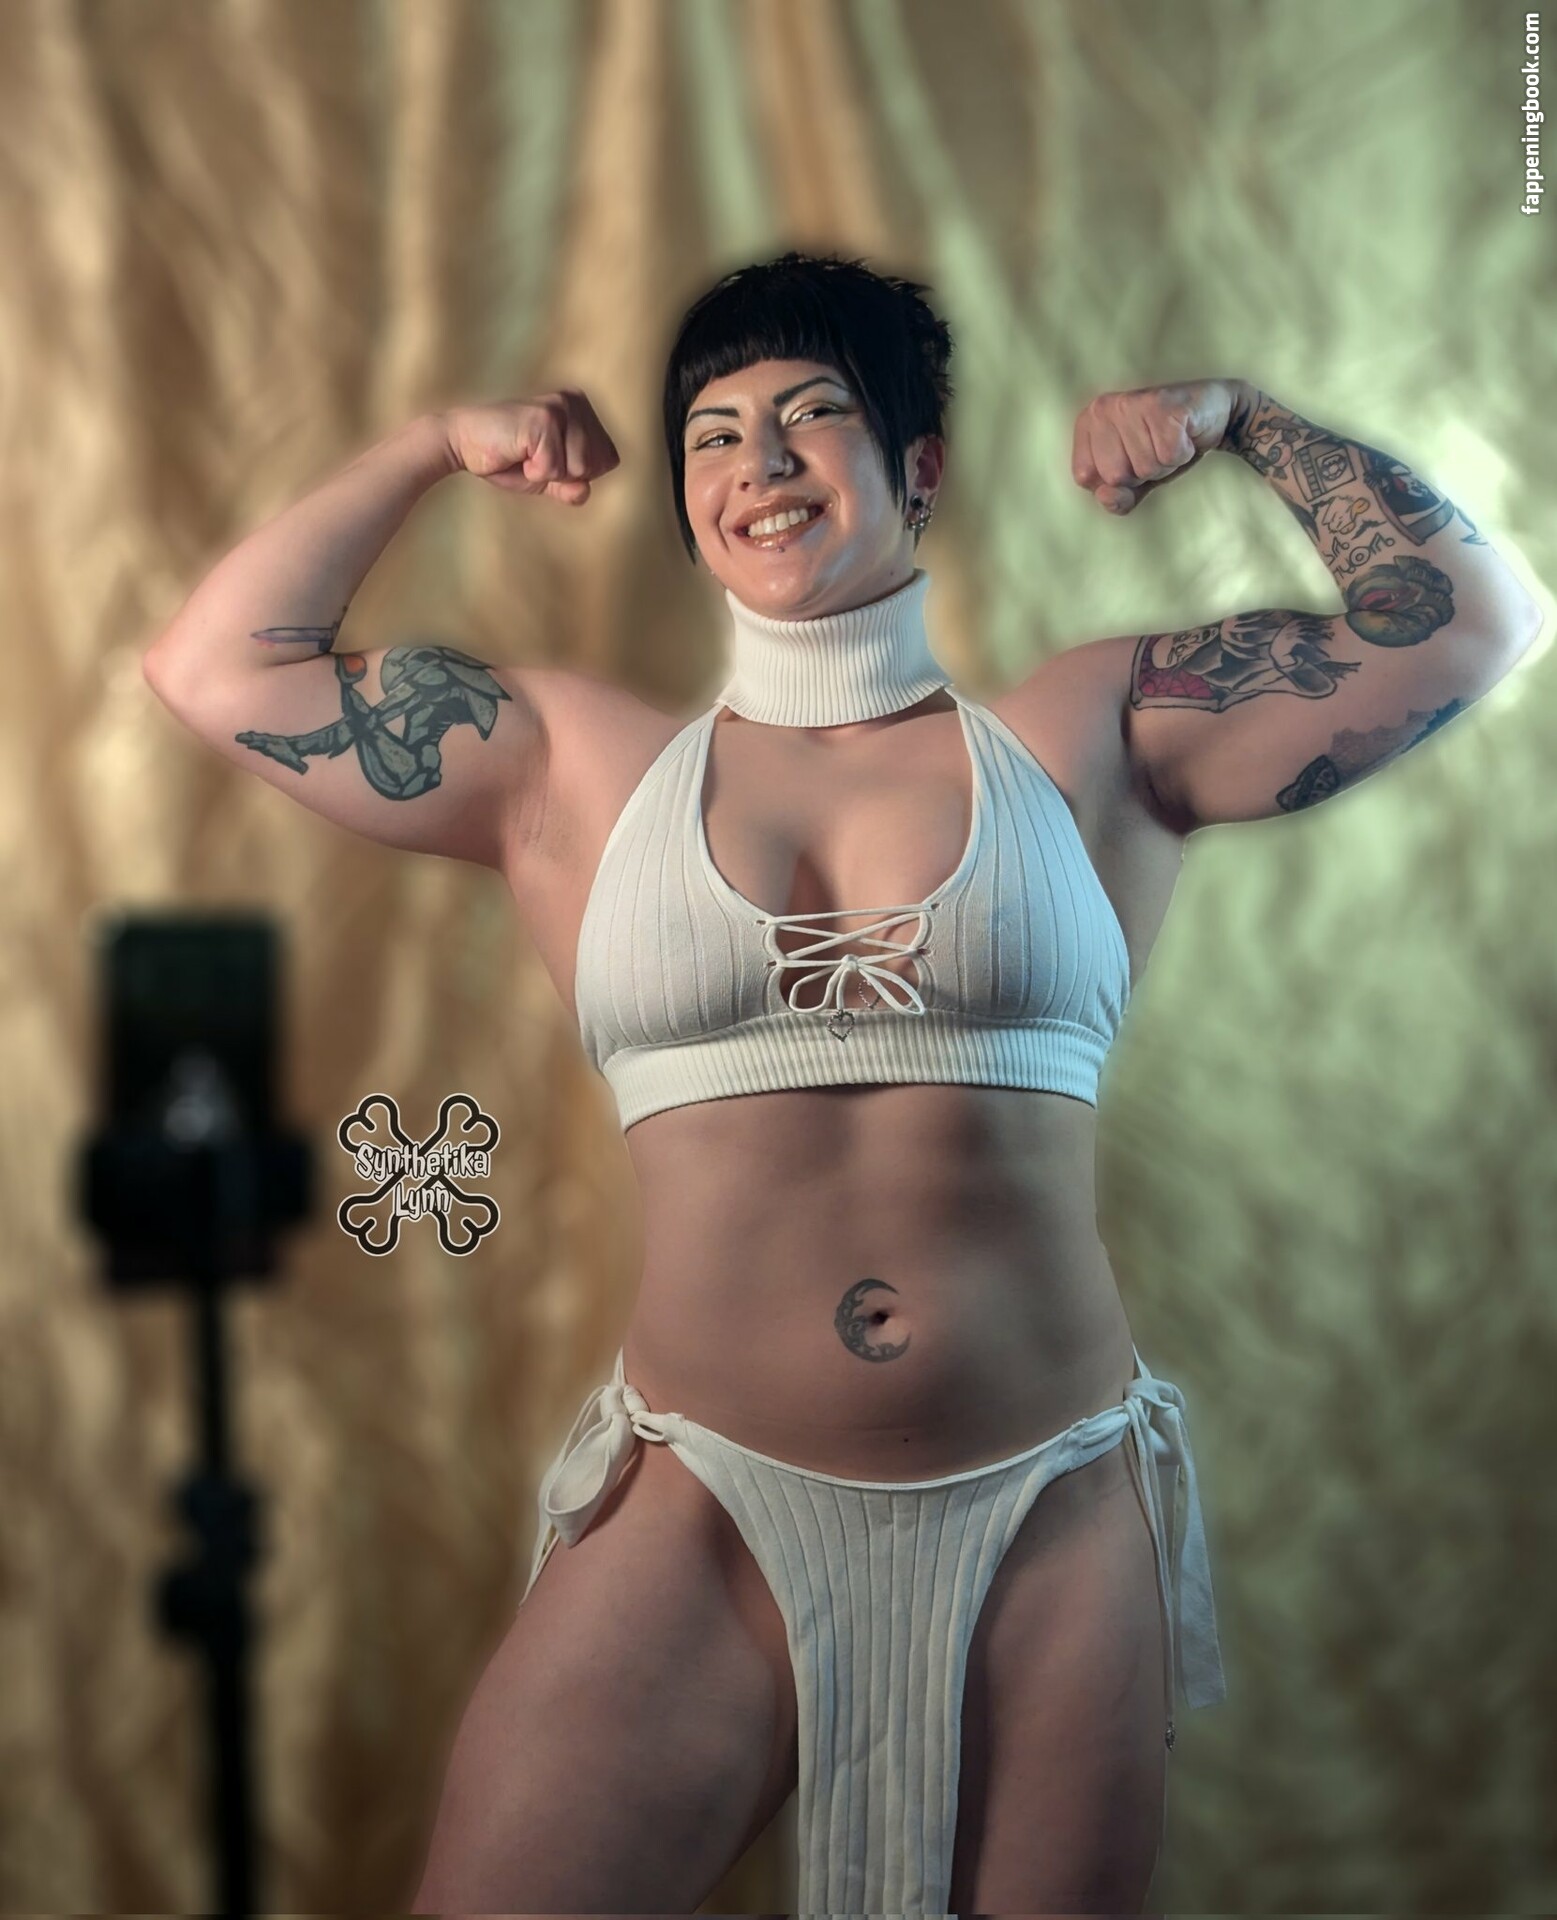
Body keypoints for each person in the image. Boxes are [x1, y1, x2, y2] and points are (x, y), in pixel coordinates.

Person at [142, 248, 1539, 1918]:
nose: (760, 460)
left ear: (915, 464)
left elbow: (1468, 626)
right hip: (703, 1511)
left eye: (810, 415)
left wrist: (1242, 419)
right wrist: (432, 446)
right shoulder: (574, 770)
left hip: (1044, 1517)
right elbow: (220, 669)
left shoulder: (1087, 737)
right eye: (713, 434)